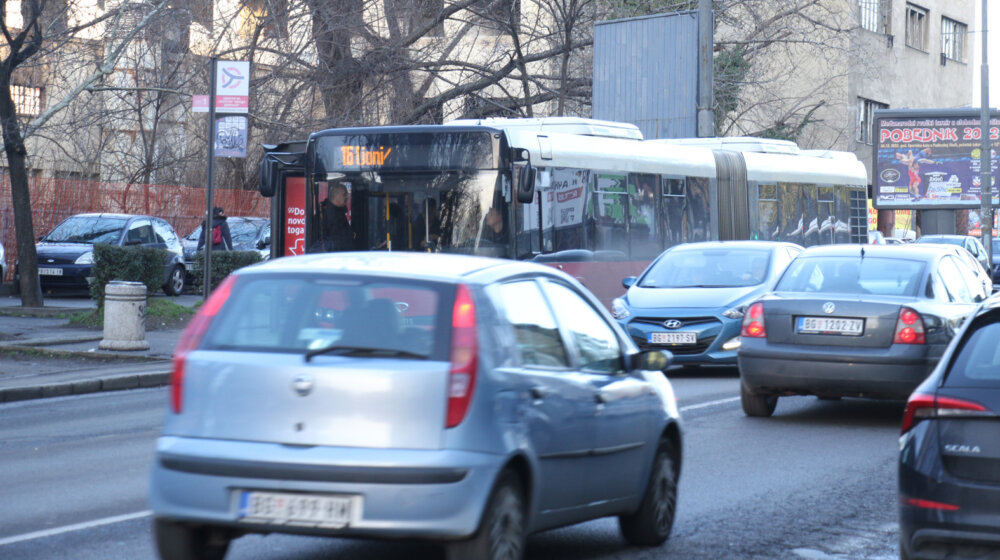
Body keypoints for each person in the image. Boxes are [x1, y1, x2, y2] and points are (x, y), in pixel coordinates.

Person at [320, 183, 354, 251]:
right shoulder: (329, 214)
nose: (347, 197)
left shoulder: (338, 212)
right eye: (344, 194)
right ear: (336, 195)